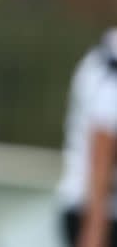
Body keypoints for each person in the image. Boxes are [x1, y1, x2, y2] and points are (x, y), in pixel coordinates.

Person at [57, 28, 117, 247]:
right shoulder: (111, 69)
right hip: (99, 216)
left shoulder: (99, 56)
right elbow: (102, 157)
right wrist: (94, 234)